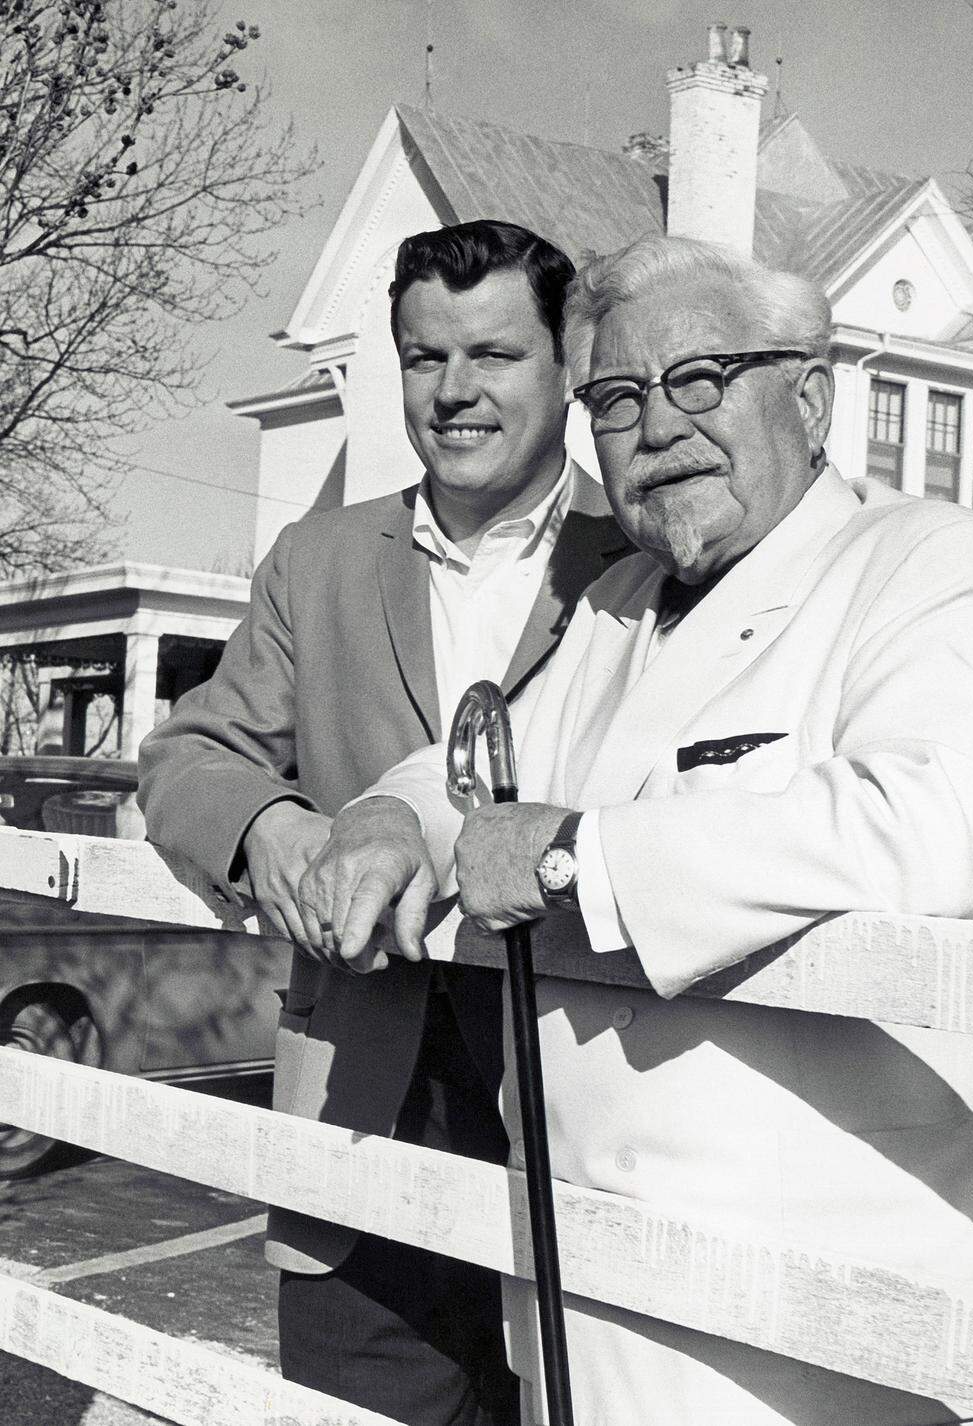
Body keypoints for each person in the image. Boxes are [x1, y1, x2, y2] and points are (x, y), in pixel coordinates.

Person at [296, 234, 973, 1426]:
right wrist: (396, 816)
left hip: (818, 1330)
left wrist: (573, 862)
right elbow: (482, 766)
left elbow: (939, 825)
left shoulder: (927, 565)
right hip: (588, 1306)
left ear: (809, 395)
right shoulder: (611, 609)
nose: (658, 425)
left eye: (701, 377)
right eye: (614, 398)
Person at [137, 218, 627, 1426]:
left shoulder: (642, 555)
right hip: (360, 1110)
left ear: (566, 362)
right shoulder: (320, 557)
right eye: (424, 358)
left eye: (494, 355)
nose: (454, 391)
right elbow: (191, 753)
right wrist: (272, 835)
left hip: (580, 1119)